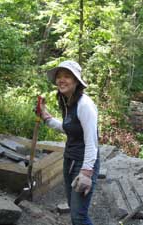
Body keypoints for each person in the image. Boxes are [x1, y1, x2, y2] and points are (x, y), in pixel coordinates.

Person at [40, 60, 99, 225]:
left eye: (67, 76)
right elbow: (69, 128)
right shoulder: (67, 102)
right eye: (59, 76)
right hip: (70, 160)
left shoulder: (84, 105)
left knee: (79, 216)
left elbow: (91, 141)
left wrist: (87, 172)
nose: (61, 80)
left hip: (83, 162)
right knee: (74, 211)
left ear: (76, 81)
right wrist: (46, 117)